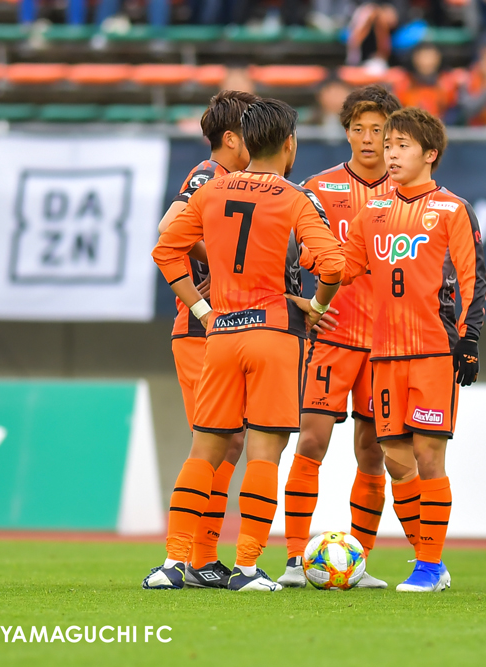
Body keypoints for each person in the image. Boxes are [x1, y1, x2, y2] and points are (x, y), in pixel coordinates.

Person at [148, 98, 345, 592]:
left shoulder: (211, 191)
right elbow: (333, 264)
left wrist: (203, 310)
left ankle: (173, 564)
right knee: (263, 452)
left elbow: (166, 247)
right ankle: (249, 569)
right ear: (289, 144)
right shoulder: (295, 197)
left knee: (204, 451)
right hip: (274, 333)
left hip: (220, 335)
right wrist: (316, 305)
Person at [339, 107, 486, 592]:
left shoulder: (452, 209)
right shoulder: (372, 212)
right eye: (388, 146)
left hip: (433, 352)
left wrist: (469, 340)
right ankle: (431, 560)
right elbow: (345, 268)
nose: (391, 154)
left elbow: (473, 277)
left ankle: (427, 566)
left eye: (401, 145)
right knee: (396, 459)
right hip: (384, 354)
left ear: (430, 154)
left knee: (428, 455)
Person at [277, 84, 403, 590]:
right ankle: (293, 559)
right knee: (310, 440)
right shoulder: (316, 188)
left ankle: (360, 562)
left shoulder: (411, 195)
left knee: (372, 452)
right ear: (345, 131)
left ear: (392, 135)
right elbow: (280, 252)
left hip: (387, 344)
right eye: (358, 128)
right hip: (331, 336)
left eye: (378, 130)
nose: (368, 138)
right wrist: (298, 302)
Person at [153, 90, 258, 588]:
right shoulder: (208, 175)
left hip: (227, 329)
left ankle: (202, 558)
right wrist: (218, 262)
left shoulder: (241, 182)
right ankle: (186, 558)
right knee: (213, 440)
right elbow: (167, 229)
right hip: (201, 329)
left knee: (230, 442)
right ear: (232, 138)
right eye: (250, 130)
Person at [394, 42, 459, 120]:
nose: (427, 62)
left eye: (430, 57)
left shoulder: (446, 83)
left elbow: (452, 112)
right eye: (423, 57)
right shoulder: (404, 83)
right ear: (415, 58)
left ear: (438, 58)